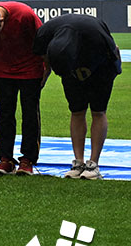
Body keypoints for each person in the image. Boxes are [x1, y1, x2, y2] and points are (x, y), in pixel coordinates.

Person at [34, 14, 121, 180]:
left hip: (102, 66)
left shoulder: (95, 36)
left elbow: (113, 58)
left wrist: (89, 74)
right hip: (71, 67)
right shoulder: (45, 34)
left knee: (98, 111)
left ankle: (93, 164)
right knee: (77, 110)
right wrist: (44, 78)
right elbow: (42, 58)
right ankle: (78, 162)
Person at [0, 1, 46, 176]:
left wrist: (45, 69)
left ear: (1, 22)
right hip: (3, 72)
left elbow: (42, 40)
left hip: (30, 70)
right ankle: (6, 159)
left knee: (30, 114)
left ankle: (27, 160)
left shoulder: (25, 14)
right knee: (5, 114)